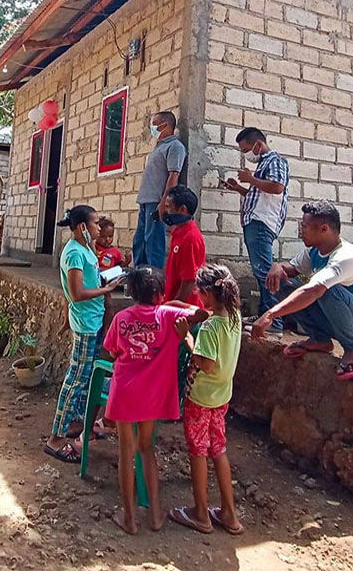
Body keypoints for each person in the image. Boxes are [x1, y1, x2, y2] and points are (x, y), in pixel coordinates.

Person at [250, 201, 353, 380]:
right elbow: (291, 268)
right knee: (283, 284)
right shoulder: (315, 251)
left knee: (326, 289)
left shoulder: (346, 256)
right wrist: (277, 266)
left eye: (305, 226)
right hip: (341, 318)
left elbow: (314, 290)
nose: (301, 230)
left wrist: (270, 315)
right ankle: (319, 340)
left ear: (324, 229)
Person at [102, 266, 190, 534]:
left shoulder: (121, 318)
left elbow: (111, 352)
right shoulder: (169, 315)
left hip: (124, 393)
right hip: (151, 396)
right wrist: (177, 306)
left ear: (131, 292)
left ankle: (129, 517)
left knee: (125, 451)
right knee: (146, 449)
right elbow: (201, 313)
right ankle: (154, 515)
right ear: (160, 293)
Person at [171, 264, 244, 536]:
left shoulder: (211, 328)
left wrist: (187, 338)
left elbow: (206, 363)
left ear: (207, 294)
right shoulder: (234, 317)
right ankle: (229, 514)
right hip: (222, 396)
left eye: (200, 294)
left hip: (201, 397)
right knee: (218, 449)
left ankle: (201, 513)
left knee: (198, 452)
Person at [43, 205, 119, 464]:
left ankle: (74, 423)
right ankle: (56, 438)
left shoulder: (86, 249)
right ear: (82, 227)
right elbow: (76, 294)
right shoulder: (74, 253)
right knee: (75, 380)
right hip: (85, 323)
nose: (99, 228)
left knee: (85, 377)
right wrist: (105, 289)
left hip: (93, 320)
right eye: (95, 224)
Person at [221, 127, 290, 332]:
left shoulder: (274, 160)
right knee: (262, 272)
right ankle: (265, 315)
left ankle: (274, 321)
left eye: (245, 150)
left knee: (265, 273)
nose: (245, 155)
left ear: (258, 145)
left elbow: (278, 187)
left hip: (262, 222)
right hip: (255, 221)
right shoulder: (263, 164)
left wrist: (251, 179)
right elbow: (260, 195)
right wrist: (240, 189)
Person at [133, 110, 186, 269]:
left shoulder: (175, 146)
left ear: (165, 125)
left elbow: (173, 176)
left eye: (155, 124)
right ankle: (139, 279)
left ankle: (153, 280)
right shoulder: (159, 146)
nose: (152, 128)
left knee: (153, 243)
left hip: (156, 201)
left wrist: (164, 203)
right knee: (140, 241)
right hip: (145, 200)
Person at [162, 185, 206, 308]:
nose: (166, 212)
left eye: (168, 207)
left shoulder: (191, 238)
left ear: (182, 209)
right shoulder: (178, 232)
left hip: (186, 310)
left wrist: (174, 307)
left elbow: (189, 280)